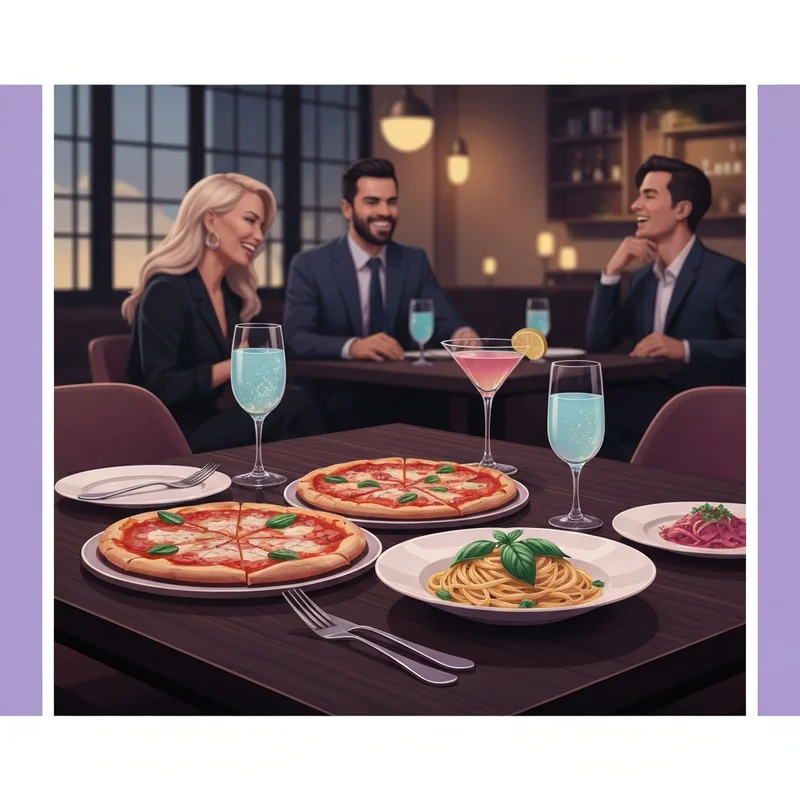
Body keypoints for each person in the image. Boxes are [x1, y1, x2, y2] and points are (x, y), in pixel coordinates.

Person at [122, 173, 327, 453]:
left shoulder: (230, 296)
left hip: (210, 421)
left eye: (262, 226)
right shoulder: (166, 291)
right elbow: (160, 387)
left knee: (298, 403)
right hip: (172, 434)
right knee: (295, 404)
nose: (259, 236)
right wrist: (234, 366)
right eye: (250, 220)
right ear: (210, 220)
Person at [282, 157, 479, 429]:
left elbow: (443, 318)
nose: (385, 212)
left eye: (392, 202)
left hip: (405, 391)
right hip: (338, 394)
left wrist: (462, 334)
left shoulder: (414, 260)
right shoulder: (310, 265)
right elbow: (294, 338)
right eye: (372, 202)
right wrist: (353, 347)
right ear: (347, 209)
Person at [586, 154, 745, 462]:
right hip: (645, 403)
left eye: (649, 195)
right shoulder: (642, 278)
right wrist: (612, 271)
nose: (635, 205)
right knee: (587, 410)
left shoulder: (727, 274)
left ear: (682, 209)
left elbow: (756, 350)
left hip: (702, 406)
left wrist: (684, 348)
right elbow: (599, 340)